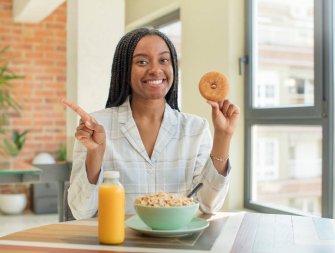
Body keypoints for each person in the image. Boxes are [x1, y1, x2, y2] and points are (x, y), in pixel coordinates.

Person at [63, 27, 240, 219]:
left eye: (164, 60)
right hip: (118, 244)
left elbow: (209, 205)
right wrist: (95, 154)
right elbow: (81, 211)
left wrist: (223, 137)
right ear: (124, 70)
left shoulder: (196, 128)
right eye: (142, 61)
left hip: (176, 245)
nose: (155, 70)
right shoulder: (95, 128)